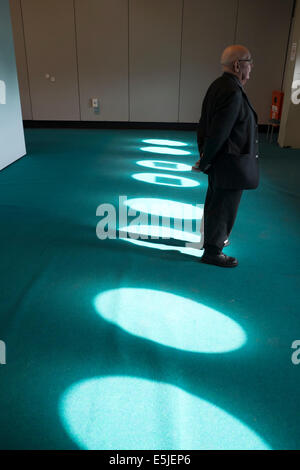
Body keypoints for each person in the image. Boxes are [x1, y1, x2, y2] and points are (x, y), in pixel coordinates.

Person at [193, 44, 259, 267]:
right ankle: (213, 251)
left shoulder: (218, 85)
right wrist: (206, 159)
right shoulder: (232, 91)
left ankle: (212, 240)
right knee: (224, 205)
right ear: (238, 65)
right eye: (249, 62)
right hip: (230, 162)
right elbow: (220, 132)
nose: (252, 68)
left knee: (215, 201)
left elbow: (204, 125)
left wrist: (204, 154)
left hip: (220, 160)